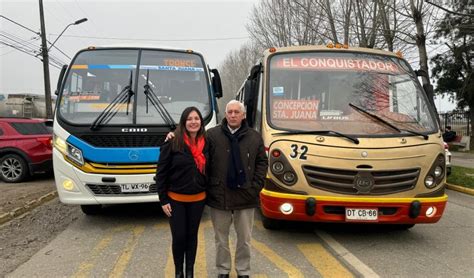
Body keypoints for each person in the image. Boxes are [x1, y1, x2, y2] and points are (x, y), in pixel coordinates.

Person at [206, 100, 268, 278]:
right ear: (225, 114)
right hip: (219, 196)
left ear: (243, 115)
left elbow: (262, 163)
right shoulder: (211, 135)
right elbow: (200, 157)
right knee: (220, 239)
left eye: (236, 112)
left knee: (245, 240)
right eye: (229, 112)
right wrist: (173, 135)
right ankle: (223, 270)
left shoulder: (254, 137)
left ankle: (243, 271)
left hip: (246, 196)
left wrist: (256, 187)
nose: (232, 115)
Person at [156, 106, 208, 278]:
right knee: (179, 237)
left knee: (192, 237)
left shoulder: (207, 143)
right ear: (184, 122)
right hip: (175, 199)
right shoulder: (172, 142)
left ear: (201, 122)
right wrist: (163, 200)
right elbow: (161, 173)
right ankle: (179, 272)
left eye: (196, 119)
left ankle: (190, 272)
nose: (193, 122)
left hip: (198, 199)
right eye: (190, 119)